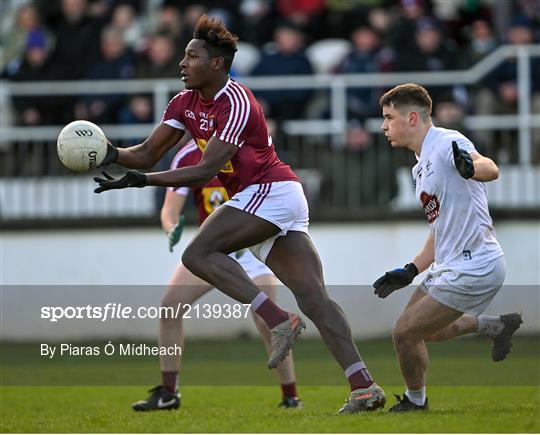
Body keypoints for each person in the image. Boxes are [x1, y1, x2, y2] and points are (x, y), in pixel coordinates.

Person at [93, 14, 386, 414]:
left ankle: (277, 319)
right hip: (264, 198)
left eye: (191, 56)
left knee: (196, 254)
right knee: (315, 300)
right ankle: (364, 385)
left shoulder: (237, 101)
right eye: (183, 55)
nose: (182, 63)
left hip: (270, 191)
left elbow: (205, 170)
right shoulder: (184, 101)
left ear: (216, 64)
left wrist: (142, 181)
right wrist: (109, 153)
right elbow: (145, 152)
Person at [374, 83, 523, 412]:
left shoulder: (445, 142)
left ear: (411, 118)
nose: (384, 126)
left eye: (388, 117)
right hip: (450, 263)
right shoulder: (419, 165)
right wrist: (411, 269)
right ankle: (495, 325)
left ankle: (416, 402)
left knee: (404, 333)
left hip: (476, 265)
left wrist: (472, 168)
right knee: (429, 333)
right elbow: (439, 230)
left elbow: (489, 167)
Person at [132, 138, 302, 411]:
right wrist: (170, 227)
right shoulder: (187, 155)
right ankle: (168, 393)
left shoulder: (248, 145)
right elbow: (169, 209)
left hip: (250, 249)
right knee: (170, 307)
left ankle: (291, 397)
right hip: (210, 252)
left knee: (266, 320)